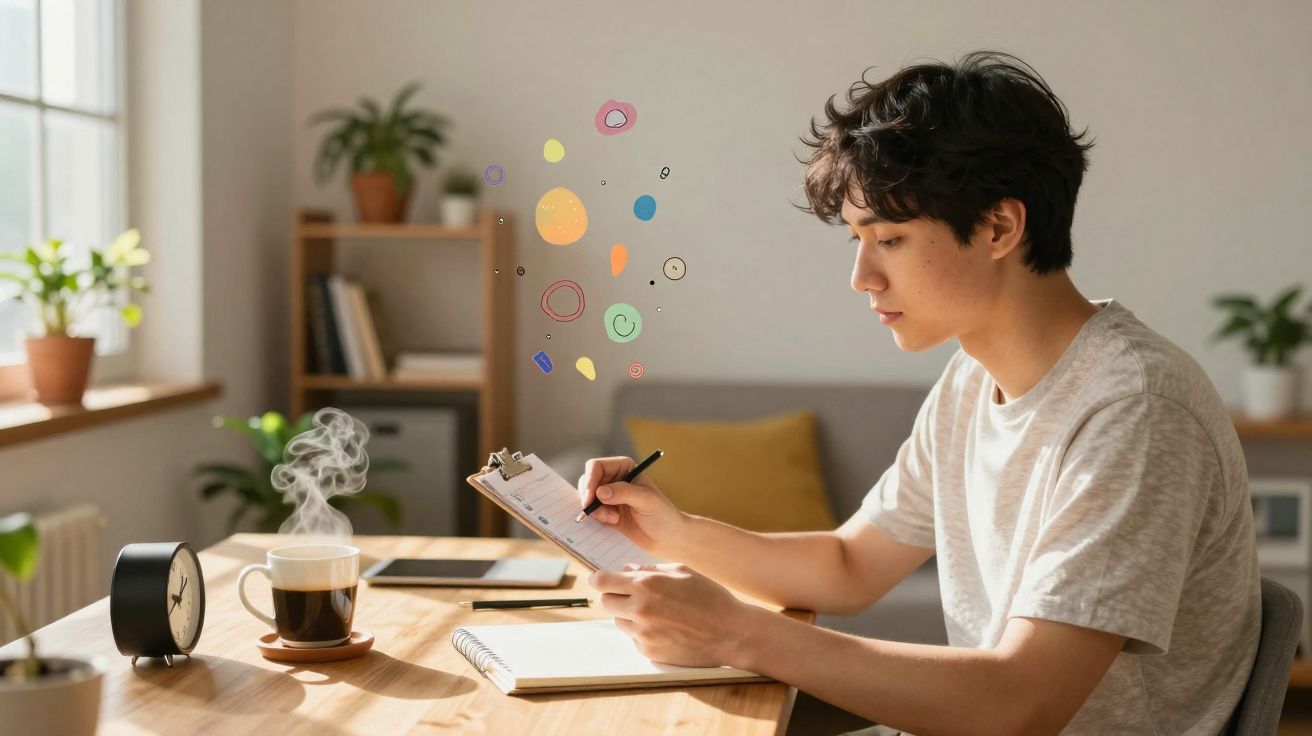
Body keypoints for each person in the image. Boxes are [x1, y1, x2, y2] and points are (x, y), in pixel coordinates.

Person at [580, 50, 1260, 735]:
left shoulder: (1135, 410)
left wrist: (736, 633)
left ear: (1000, 227)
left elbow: (1021, 706)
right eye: (857, 239)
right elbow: (850, 566)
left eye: (891, 238)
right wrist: (675, 532)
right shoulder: (973, 377)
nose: (862, 276)